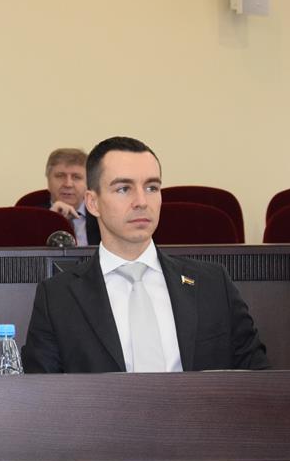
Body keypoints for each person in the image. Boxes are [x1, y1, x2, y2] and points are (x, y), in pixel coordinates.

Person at [22, 136, 268, 373]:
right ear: (93, 202)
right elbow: (42, 392)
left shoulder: (212, 283)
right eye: (123, 189)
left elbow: (258, 378)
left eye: (152, 187)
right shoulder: (57, 297)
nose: (141, 201)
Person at [44, 148, 100, 246]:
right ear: (48, 180)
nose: (68, 184)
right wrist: (49, 220)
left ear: (88, 183)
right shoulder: (30, 218)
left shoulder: (101, 215)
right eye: (60, 176)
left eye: (76, 177)